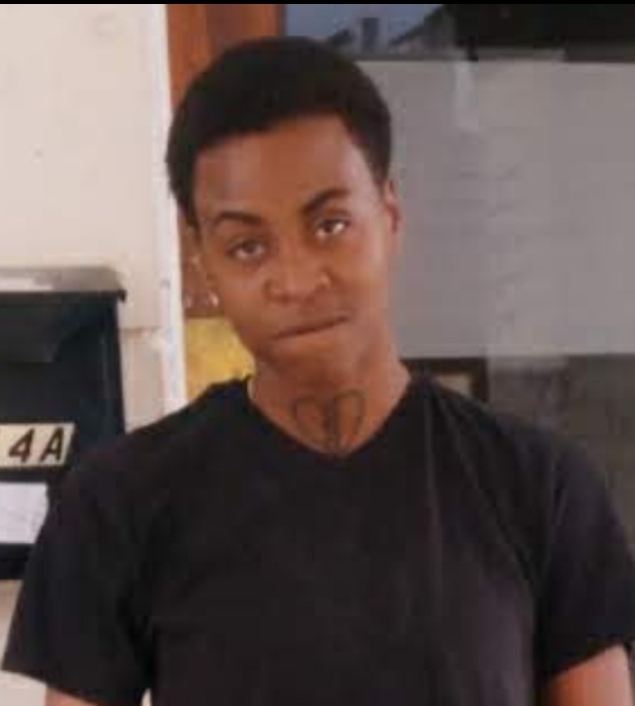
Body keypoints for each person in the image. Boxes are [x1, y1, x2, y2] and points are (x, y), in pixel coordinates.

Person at [3, 35, 635, 706]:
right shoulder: (117, 506)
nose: (297, 279)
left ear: (389, 214)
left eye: (330, 225)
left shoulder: (540, 488)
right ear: (203, 261)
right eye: (248, 246)